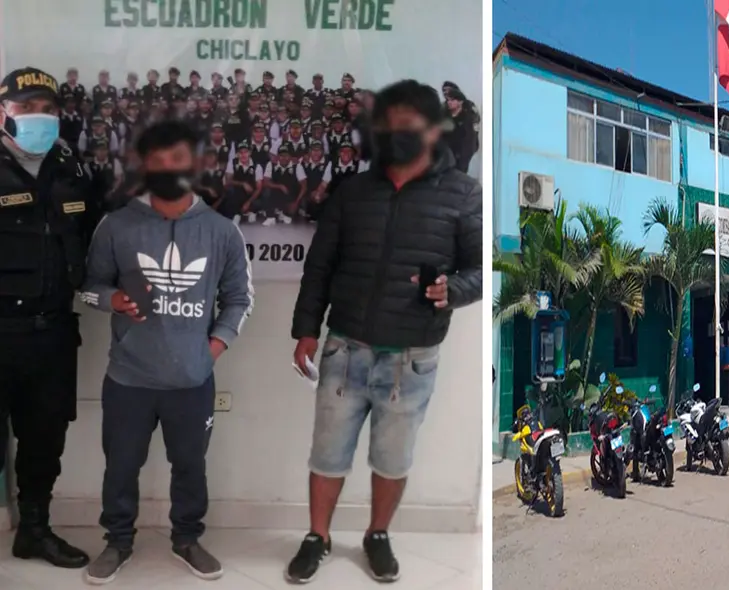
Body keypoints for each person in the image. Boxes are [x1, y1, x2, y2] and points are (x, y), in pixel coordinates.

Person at [286, 79, 482, 584]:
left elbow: (480, 269)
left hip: (409, 358)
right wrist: (306, 329)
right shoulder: (354, 191)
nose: (398, 134)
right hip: (344, 348)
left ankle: (377, 535)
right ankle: (318, 536)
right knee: (327, 453)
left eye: (409, 125)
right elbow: (320, 266)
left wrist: (452, 289)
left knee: (392, 459)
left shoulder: (463, 193)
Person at [79, 120, 254, 584]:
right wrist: (113, 300)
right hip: (128, 379)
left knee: (191, 466)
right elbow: (89, 289)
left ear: (196, 165)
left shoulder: (221, 232)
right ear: (144, 167)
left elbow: (239, 298)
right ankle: (117, 541)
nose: (167, 168)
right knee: (120, 466)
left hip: (192, 381)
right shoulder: (117, 225)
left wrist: (212, 349)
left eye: (177, 159)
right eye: (157, 161)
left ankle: (187, 539)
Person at [0, 66, 97, 570]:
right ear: (3, 112)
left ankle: (34, 532)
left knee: (44, 440)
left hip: (54, 332)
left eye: (47, 109)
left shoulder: (69, 166)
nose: (38, 117)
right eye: (26, 107)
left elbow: (95, 236)